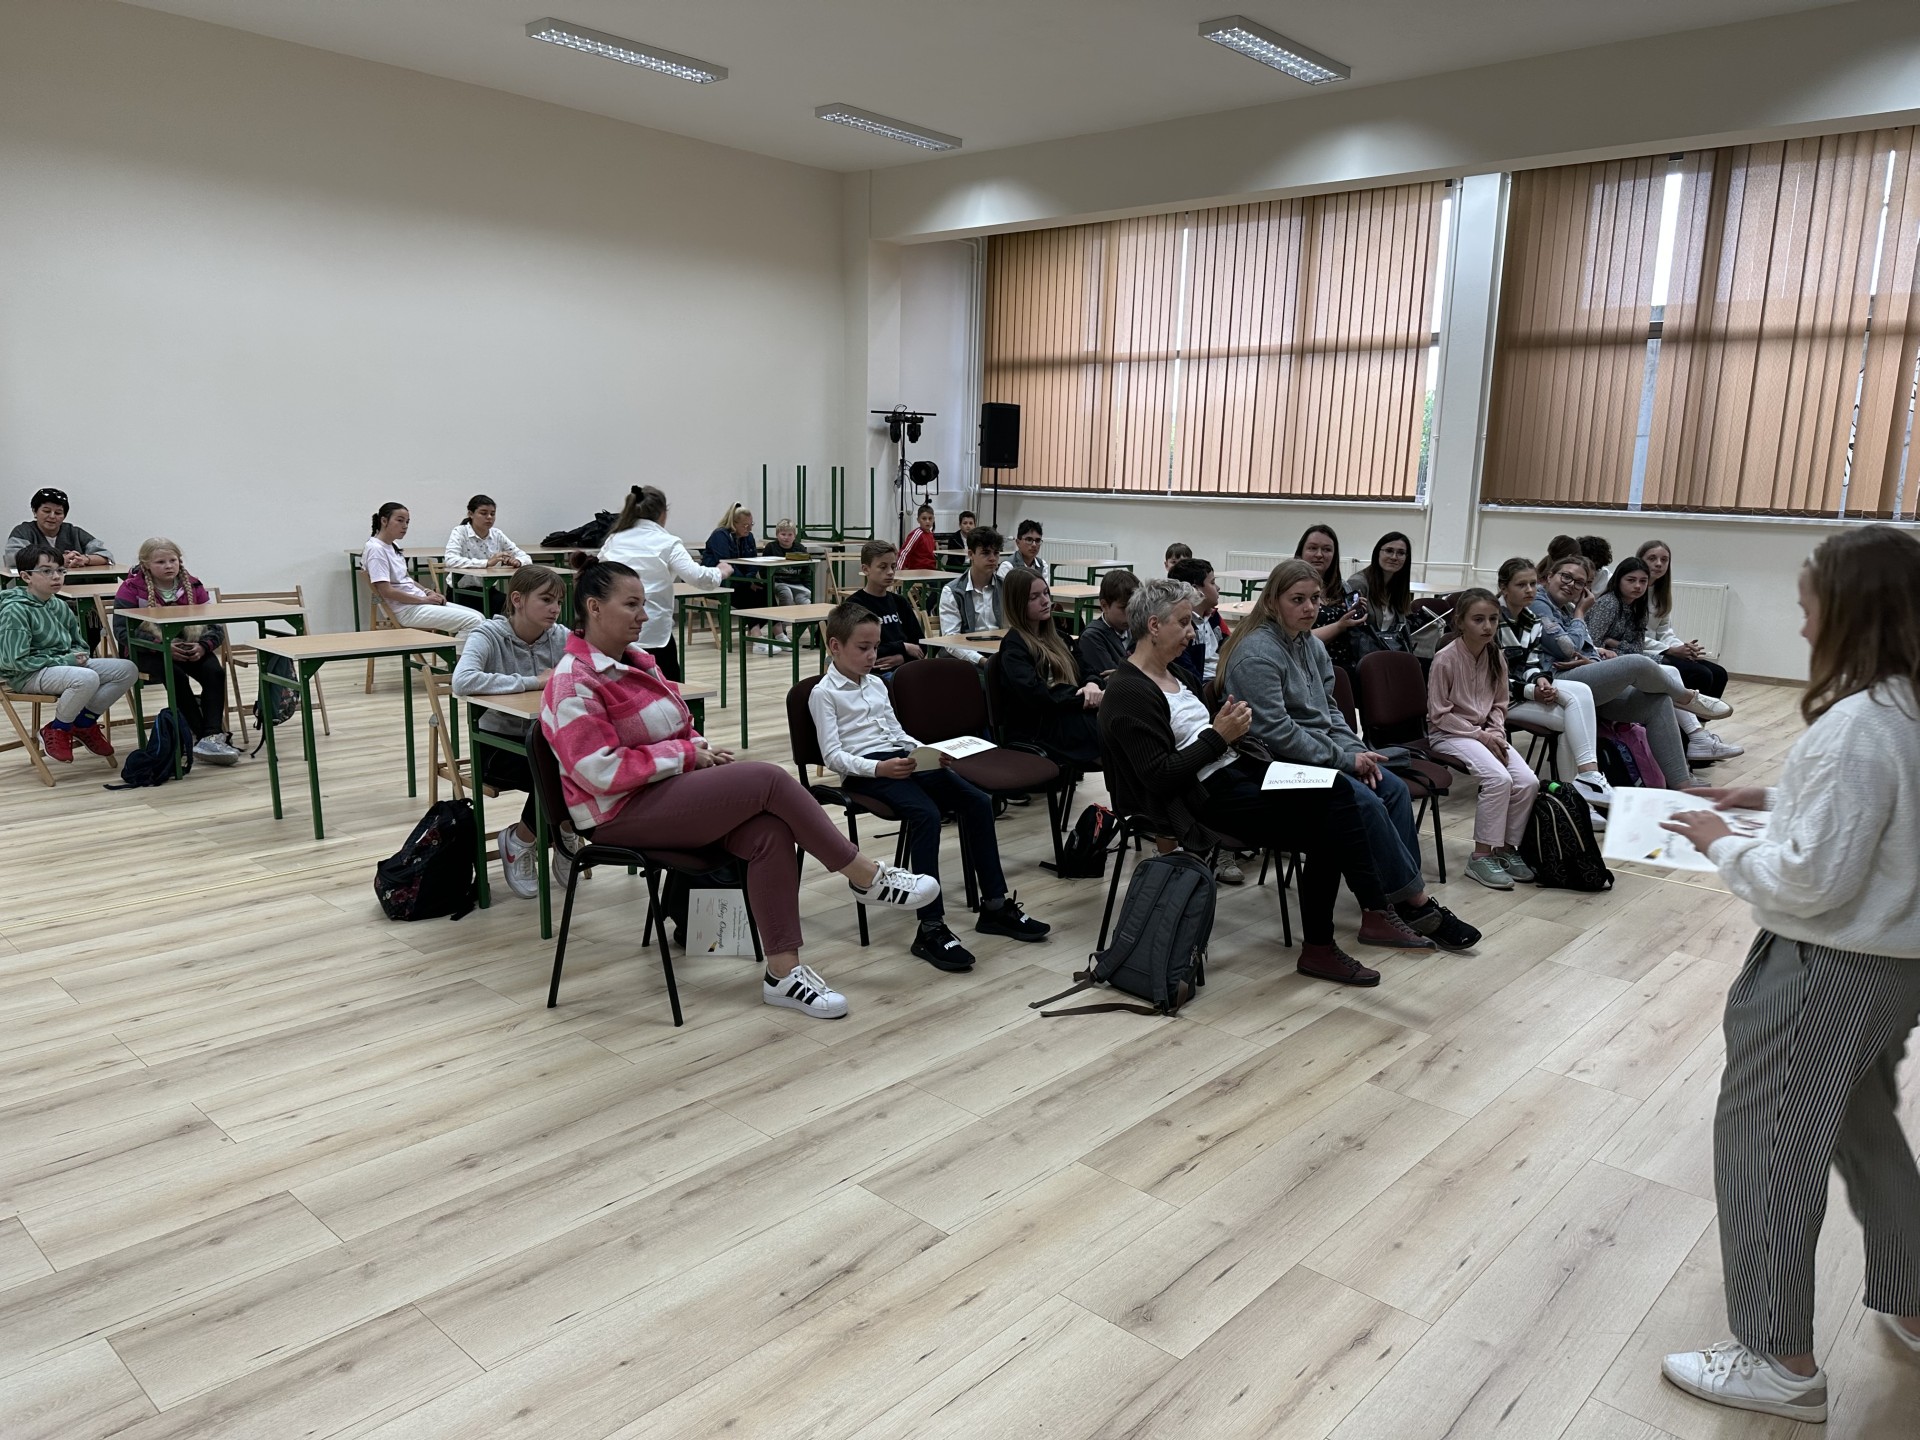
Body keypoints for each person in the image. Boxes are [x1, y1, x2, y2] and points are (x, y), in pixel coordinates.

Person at [1657, 524, 1920, 1425]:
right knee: (1863, 1130)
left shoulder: (1857, 727)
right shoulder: (1906, 709)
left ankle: (1778, 1359)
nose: (1802, 626)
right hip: (1894, 972)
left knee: (1767, 1146)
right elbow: (1884, 816)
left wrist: (1721, 842)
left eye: (1809, 607)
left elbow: (1810, 882)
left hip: (1824, 970)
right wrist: (1770, 798)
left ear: (1849, 612)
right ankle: (1914, 1296)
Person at [541, 561, 939, 1020]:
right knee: (768, 779)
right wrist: (686, 756)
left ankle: (783, 975)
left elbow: (682, 726)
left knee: (770, 832)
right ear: (594, 608)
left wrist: (699, 749)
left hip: (663, 792)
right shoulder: (574, 681)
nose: (644, 614)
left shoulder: (639, 661)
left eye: (644, 603)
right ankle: (864, 875)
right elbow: (598, 771)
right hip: (616, 813)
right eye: (631, 604)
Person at [1101, 577, 1445, 986]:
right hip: (1202, 797)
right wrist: (1219, 736)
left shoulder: (1177, 674)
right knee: (1332, 814)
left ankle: (1356, 926)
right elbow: (1159, 776)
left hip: (1235, 770)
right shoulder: (1127, 690)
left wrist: (1232, 731)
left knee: (1336, 792)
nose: (1192, 633)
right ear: (1154, 626)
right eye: (1184, 623)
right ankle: (1351, 927)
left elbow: (1204, 738)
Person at [1215, 559, 1480, 952]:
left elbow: (1330, 713)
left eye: (1315, 598)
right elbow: (1275, 733)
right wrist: (1343, 760)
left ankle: (1391, 903)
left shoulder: (1309, 644)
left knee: (1390, 787)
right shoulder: (1256, 653)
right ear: (1272, 601)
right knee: (1363, 800)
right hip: (1273, 767)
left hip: (1316, 756)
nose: (1309, 607)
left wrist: (1357, 753)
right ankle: (1414, 904)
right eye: (1297, 599)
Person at [811, 602, 1049, 971]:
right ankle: (931, 927)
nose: (872, 656)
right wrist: (879, 768)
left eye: (875, 647)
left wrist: (926, 752)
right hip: (867, 773)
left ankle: (995, 906)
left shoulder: (876, 684)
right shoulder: (824, 693)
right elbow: (833, 756)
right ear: (835, 646)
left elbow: (896, 732)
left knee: (976, 801)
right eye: (863, 648)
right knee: (926, 814)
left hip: (901, 760)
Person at [1533, 551, 1730, 787]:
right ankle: (1687, 698)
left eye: (1579, 582)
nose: (1571, 585)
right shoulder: (1541, 602)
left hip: (1581, 678)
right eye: (1566, 577)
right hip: (1552, 680)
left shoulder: (1567, 608)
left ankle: (1682, 783)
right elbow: (1567, 648)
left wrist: (1591, 659)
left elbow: (1589, 648)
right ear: (1549, 576)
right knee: (1638, 663)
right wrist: (1580, 613)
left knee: (1658, 701)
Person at [453, 565, 571, 899]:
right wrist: (533, 682)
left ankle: (546, 835)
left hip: (546, 741)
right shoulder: (488, 634)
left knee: (578, 765)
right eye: (546, 599)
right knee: (557, 774)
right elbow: (463, 680)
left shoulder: (560, 636)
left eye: (559, 602)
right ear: (517, 599)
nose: (555, 609)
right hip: (496, 746)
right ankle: (540, 838)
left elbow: (590, 670)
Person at [1426, 590, 1540, 890]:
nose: (1487, 626)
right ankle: (1480, 856)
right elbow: (1439, 714)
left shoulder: (1495, 656)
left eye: (1493, 619)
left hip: (1486, 734)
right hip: (1449, 733)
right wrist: (1481, 736)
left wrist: (1497, 733)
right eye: (1478, 620)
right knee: (1498, 779)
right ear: (1460, 622)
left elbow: (1500, 705)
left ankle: (1506, 849)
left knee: (1528, 781)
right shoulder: (1445, 659)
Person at [1496, 558, 1614, 823]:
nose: (1529, 590)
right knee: (1573, 711)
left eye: (1532, 583)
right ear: (1504, 587)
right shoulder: (1493, 619)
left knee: (1575, 708)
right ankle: (1583, 790)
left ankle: (1578, 797)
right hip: (1498, 701)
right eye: (1521, 585)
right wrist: (1532, 691)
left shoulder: (1530, 618)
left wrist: (1541, 680)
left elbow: (1531, 663)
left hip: (1522, 691)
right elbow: (1493, 681)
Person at [0, 541, 139, 764]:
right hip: (27, 675)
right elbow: (14, 661)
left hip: (62, 666)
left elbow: (78, 642)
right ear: (26, 577)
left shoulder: (59, 604)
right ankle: (58, 728)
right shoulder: (15, 610)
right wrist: (65, 660)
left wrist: (79, 654)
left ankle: (83, 723)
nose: (56, 577)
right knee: (86, 678)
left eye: (60, 570)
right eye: (46, 571)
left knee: (127, 669)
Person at [112, 537, 240, 765]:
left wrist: (203, 646)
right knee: (176, 676)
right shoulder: (131, 589)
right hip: (148, 651)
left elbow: (215, 625)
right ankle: (202, 736)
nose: (169, 566)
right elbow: (123, 632)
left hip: (188, 646)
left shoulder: (194, 585)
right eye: (161, 562)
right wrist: (162, 647)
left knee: (214, 672)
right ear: (145, 564)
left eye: (173, 560)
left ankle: (212, 735)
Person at [596, 484, 731, 681]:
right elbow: (697, 577)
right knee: (669, 687)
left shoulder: (614, 539)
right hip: (653, 630)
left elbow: (599, 572)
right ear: (662, 514)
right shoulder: (667, 542)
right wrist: (720, 572)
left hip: (615, 630)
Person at [1637, 538, 1742, 763]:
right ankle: (1687, 741)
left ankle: (1700, 738)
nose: (1658, 564)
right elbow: (1634, 637)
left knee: (1719, 674)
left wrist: (1683, 647)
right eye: (1652, 558)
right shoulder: (1635, 590)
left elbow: (1665, 630)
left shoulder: (1661, 593)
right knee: (1699, 675)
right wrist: (1670, 649)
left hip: (1662, 649)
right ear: (1640, 560)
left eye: (1664, 560)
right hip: (1645, 652)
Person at [997, 567, 1101, 767]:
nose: (1045, 601)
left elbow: (1087, 670)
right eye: (1034, 597)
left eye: (1046, 593)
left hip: (1066, 714)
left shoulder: (1060, 638)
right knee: (1108, 735)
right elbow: (1037, 694)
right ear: (1018, 604)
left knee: (1118, 723)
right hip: (1038, 726)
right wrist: (1082, 697)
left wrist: (1092, 685)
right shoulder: (1014, 646)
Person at [362, 504, 484, 639]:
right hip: (405, 610)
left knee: (480, 618)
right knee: (473, 621)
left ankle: (461, 652)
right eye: (400, 520)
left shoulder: (392, 545)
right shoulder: (376, 549)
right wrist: (423, 600)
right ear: (384, 521)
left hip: (416, 603)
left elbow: (406, 579)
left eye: (407, 522)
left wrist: (428, 592)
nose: (405, 526)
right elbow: (387, 591)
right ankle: (459, 653)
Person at [845, 540, 924, 673]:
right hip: (873, 673)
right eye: (883, 567)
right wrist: (903, 647)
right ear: (866, 569)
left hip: (905, 668)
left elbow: (920, 645)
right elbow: (856, 650)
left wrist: (902, 658)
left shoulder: (900, 602)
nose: (890, 572)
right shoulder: (854, 605)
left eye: (893, 566)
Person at [937, 527, 1005, 667]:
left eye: (996, 553)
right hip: (965, 658)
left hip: (999, 652)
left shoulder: (1006, 587)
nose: (993, 558)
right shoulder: (952, 591)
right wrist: (982, 661)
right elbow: (951, 641)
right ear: (970, 554)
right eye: (985, 553)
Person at [1295, 524, 1367, 654]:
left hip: (1347, 660)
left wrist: (1355, 613)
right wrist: (1339, 626)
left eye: (1327, 550)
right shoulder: (1290, 588)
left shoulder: (1342, 587)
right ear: (1301, 552)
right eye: (1312, 548)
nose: (1319, 554)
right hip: (1308, 660)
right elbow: (1295, 640)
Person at [1342, 532, 1417, 657]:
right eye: (1389, 551)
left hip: (1389, 652)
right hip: (1363, 655)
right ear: (1378, 553)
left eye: (1401, 553)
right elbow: (1351, 629)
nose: (1394, 557)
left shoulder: (1398, 586)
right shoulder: (1358, 583)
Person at [4, 488, 112, 572]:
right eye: (46, 511)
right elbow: (13, 558)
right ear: (34, 511)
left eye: (58, 513)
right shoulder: (23, 532)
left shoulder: (74, 532)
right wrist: (58, 560)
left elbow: (106, 556)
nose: (52, 516)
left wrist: (84, 559)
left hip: (73, 585)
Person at [703, 503, 770, 617]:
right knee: (749, 596)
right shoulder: (720, 535)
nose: (750, 529)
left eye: (751, 524)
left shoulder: (749, 536)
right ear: (733, 524)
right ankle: (756, 626)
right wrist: (747, 583)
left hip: (742, 579)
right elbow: (727, 565)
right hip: (721, 580)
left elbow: (753, 562)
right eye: (745, 525)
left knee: (766, 591)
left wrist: (750, 579)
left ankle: (776, 627)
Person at [1167, 557, 1226, 685]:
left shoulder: (1213, 617)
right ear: (1196, 590)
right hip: (1206, 686)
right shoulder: (1182, 630)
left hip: (1222, 677)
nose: (1218, 588)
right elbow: (1190, 676)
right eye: (1212, 582)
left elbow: (1230, 646)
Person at [1075, 568, 1138, 680]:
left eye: (1135, 608)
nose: (1130, 614)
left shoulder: (1137, 630)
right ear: (1104, 606)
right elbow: (1113, 681)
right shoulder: (1092, 637)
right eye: (1124, 608)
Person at [442, 494, 529, 571]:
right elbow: (450, 560)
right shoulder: (460, 532)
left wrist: (518, 561)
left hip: (489, 584)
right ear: (471, 514)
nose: (489, 517)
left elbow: (526, 557)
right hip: (461, 585)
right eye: (483, 513)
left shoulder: (497, 534)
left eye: (492, 514)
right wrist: (487, 563)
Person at [767, 520, 813, 609]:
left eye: (790, 534)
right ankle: (783, 618)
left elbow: (806, 569)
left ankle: (806, 618)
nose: (786, 537)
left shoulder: (800, 548)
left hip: (797, 583)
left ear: (794, 536)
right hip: (779, 582)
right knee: (786, 595)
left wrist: (808, 587)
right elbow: (763, 569)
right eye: (783, 534)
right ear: (777, 535)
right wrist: (769, 583)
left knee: (805, 600)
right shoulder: (771, 547)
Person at [999, 520, 1049, 584]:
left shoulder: (1042, 565)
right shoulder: (1007, 566)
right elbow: (1002, 590)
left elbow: (1045, 589)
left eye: (1037, 540)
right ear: (1018, 542)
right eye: (1029, 540)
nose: (1034, 545)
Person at [900, 503, 938, 571]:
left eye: (930, 518)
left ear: (934, 519)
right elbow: (904, 552)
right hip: (918, 570)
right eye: (924, 518)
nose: (927, 521)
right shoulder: (916, 534)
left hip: (931, 569)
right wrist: (898, 571)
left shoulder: (931, 534)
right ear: (918, 520)